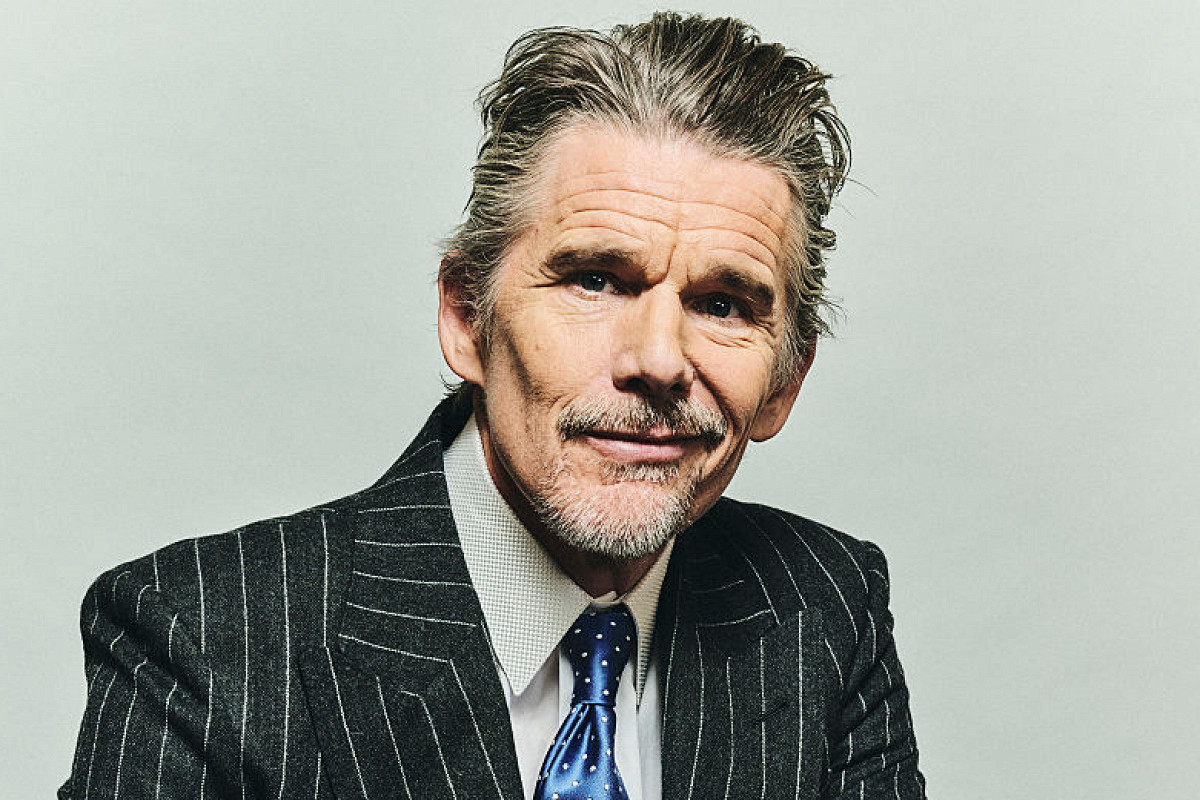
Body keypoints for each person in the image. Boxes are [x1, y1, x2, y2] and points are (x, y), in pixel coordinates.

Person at [61, 12, 925, 800]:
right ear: (467, 318)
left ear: (785, 381)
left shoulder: (827, 606)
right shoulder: (203, 641)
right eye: (595, 280)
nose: (660, 361)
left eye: (724, 304)